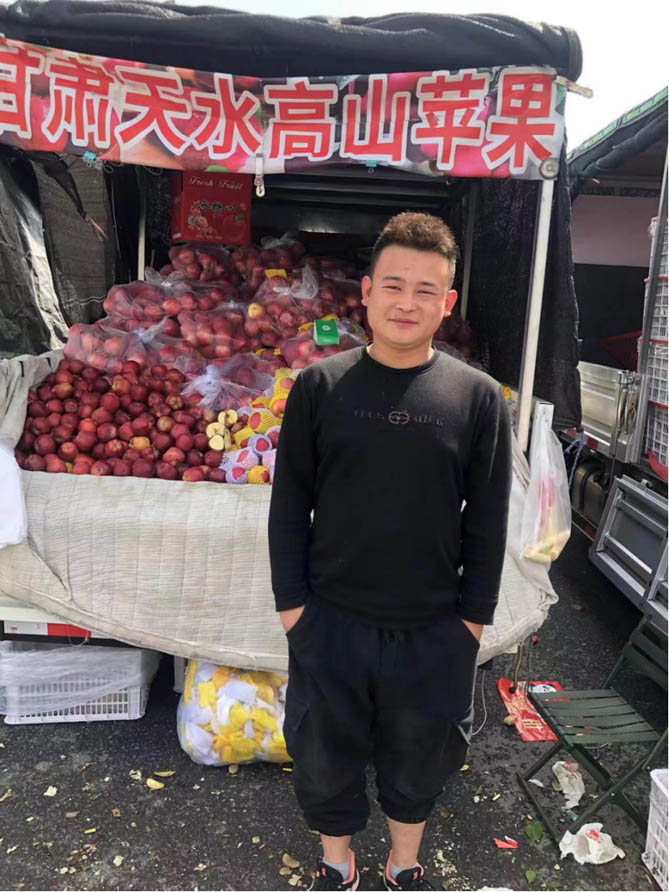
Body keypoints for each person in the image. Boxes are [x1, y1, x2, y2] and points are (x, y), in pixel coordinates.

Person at [268, 212, 512, 891]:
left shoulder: (476, 398)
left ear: (447, 302)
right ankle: (336, 862)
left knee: (421, 756)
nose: (408, 303)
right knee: (323, 755)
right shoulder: (319, 387)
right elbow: (288, 507)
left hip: (433, 626)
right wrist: (294, 611)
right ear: (368, 292)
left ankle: (404, 864)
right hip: (330, 620)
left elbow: (488, 521)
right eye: (395, 286)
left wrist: (470, 623)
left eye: (425, 290)